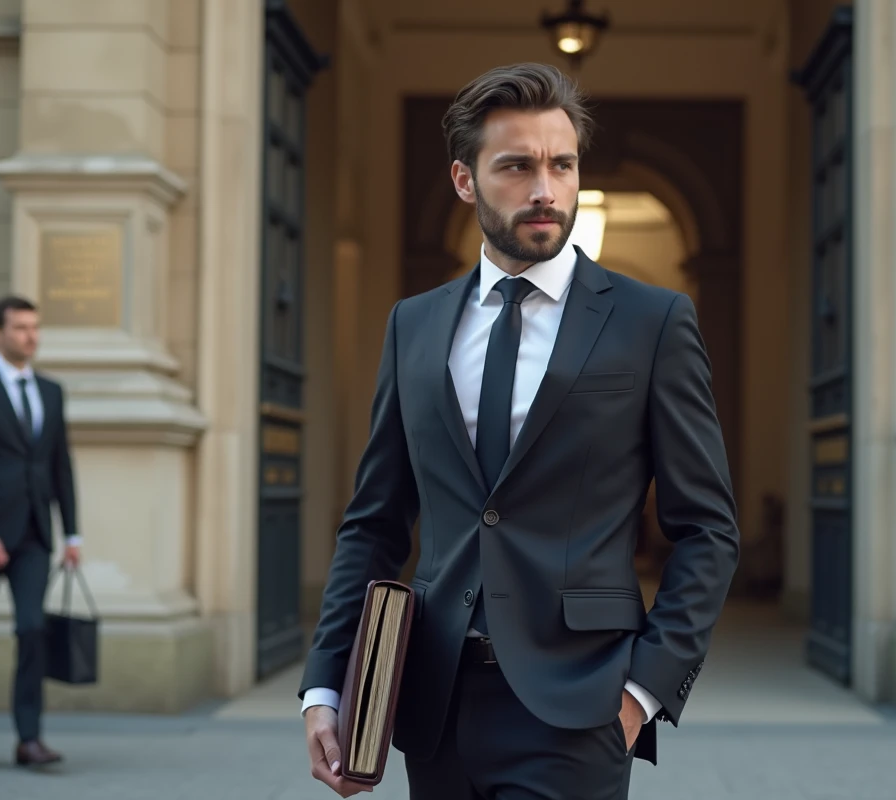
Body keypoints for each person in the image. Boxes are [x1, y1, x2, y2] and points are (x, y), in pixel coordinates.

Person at [300, 62, 739, 798]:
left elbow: (708, 529)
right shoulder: (414, 326)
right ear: (465, 180)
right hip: (433, 704)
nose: (545, 189)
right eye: (517, 167)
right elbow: (374, 521)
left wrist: (642, 694)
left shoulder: (652, 322)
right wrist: (326, 686)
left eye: (562, 165)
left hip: (579, 711)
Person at [0, 295, 81, 769]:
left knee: (33, 628)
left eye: (35, 328)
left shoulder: (51, 391)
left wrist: (72, 534)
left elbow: (60, 464)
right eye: (20, 328)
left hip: (34, 531)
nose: (31, 336)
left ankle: (29, 738)